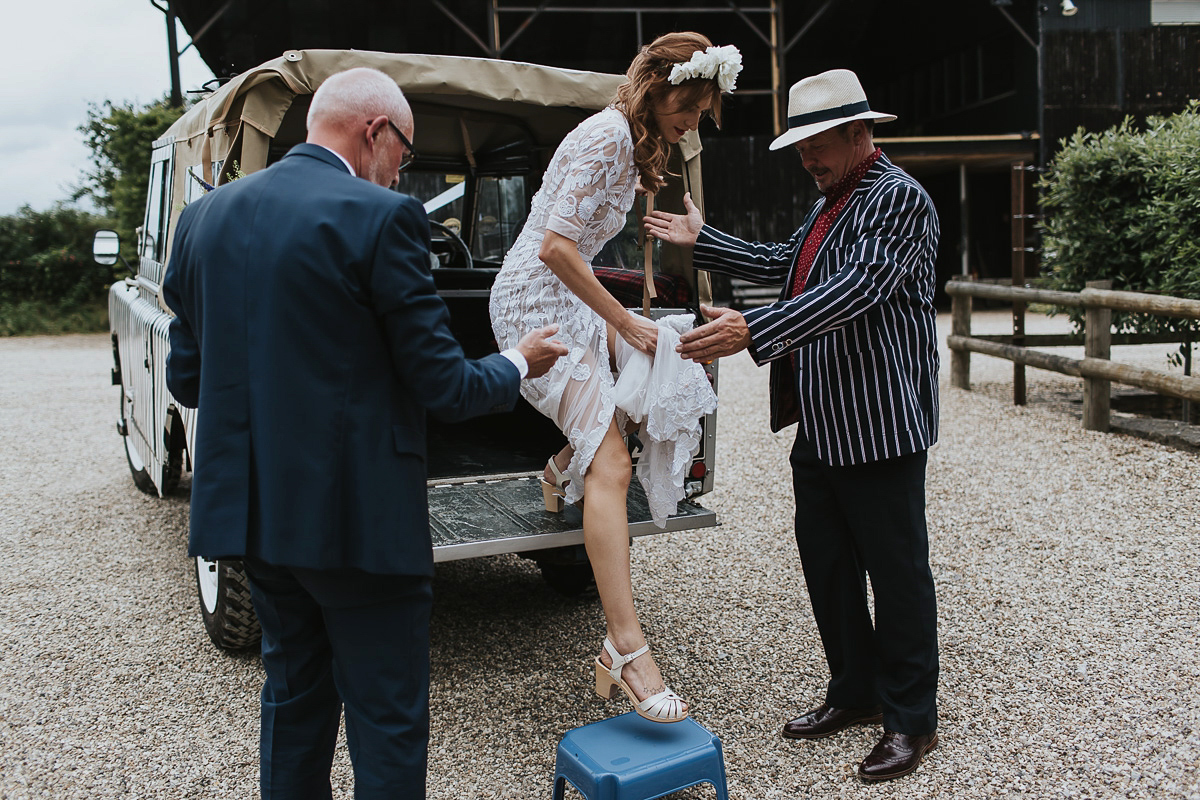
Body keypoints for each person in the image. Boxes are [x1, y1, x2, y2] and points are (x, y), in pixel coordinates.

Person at [163, 67, 566, 799]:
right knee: (387, 719)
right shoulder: (384, 220)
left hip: (256, 521)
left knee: (294, 695)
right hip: (357, 528)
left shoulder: (203, 220)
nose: (401, 172)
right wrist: (517, 360)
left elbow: (187, 382)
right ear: (376, 131)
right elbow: (445, 387)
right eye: (405, 155)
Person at [643, 68, 941, 781]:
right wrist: (703, 238)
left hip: (879, 424)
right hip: (825, 422)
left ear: (856, 131)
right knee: (830, 569)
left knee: (897, 578)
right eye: (801, 145)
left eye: (815, 143)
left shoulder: (899, 199)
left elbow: (856, 289)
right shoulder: (832, 200)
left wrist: (756, 329)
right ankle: (855, 691)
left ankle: (911, 721)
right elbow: (787, 265)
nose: (805, 158)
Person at [488, 32, 737, 723]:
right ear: (658, 88)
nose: (692, 124)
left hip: (570, 295)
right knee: (614, 463)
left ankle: (556, 468)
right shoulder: (606, 137)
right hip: (533, 302)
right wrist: (622, 324)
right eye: (688, 109)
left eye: (701, 113)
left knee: (642, 383)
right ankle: (624, 647)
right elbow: (555, 247)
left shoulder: (631, 141)